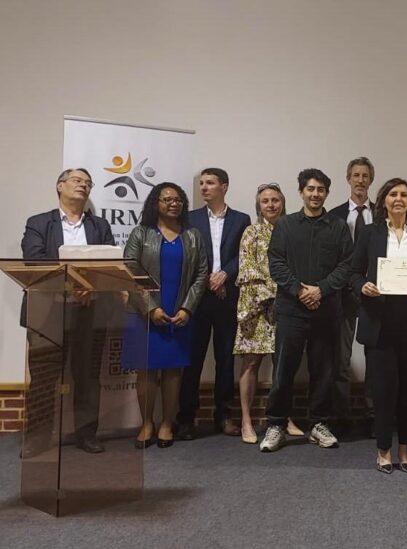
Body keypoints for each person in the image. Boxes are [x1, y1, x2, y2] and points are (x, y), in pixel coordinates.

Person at [20, 168, 115, 454]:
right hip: (47, 310)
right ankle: (37, 437)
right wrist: (72, 285)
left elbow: (109, 263)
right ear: (60, 186)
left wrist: (92, 286)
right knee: (44, 376)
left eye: (88, 183)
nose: (83, 186)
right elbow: (34, 260)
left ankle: (86, 435)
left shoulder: (99, 226)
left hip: (88, 310)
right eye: (77, 181)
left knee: (87, 376)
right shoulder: (38, 223)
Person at [349, 178, 407, 473]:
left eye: (404, 195)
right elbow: (353, 273)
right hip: (380, 322)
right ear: (383, 200)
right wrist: (364, 287)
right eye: (392, 194)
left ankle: (406, 449)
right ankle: (384, 449)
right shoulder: (370, 233)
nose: (398, 199)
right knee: (383, 390)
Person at [260, 169, 351, 452]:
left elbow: (346, 265)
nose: (315, 194)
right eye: (310, 189)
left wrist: (320, 290)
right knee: (284, 369)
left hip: (326, 312)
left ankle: (318, 424)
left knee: (324, 370)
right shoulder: (286, 226)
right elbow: (276, 262)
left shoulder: (337, 227)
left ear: (326, 193)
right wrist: (300, 290)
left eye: (321, 189)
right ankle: (276, 424)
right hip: (291, 310)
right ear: (301, 192)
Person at [123, 182, 208, 448]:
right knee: (146, 370)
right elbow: (130, 272)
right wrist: (151, 307)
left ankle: (167, 424)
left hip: (179, 311)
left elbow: (201, 275)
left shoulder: (193, 235)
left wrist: (187, 308)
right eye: (167, 199)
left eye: (178, 199)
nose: (174, 203)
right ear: (155, 203)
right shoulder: (141, 233)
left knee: (174, 372)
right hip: (144, 312)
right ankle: (147, 423)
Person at [178, 168, 251, 440]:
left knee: (225, 360)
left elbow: (244, 255)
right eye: (201, 184)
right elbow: (188, 254)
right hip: (197, 298)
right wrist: (209, 278)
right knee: (192, 360)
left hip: (227, 298)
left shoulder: (242, 219)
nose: (204, 188)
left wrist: (225, 275)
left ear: (224, 186)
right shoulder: (190, 219)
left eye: (209, 183)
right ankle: (186, 418)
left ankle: (223, 415)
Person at [233, 183, 300, 444]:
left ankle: (284, 418)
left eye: (275, 200)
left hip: (287, 306)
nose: (270, 205)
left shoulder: (292, 230)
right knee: (251, 363)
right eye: (265, 201)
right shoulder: (251, 232)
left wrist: (290, 293)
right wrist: (276, 292)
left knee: (285, 366)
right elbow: (247, 270)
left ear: (283, 202)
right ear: (258, 205)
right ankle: (246, 422)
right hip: (256, 309)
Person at [327, 156, 376, 436]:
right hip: (342, 295)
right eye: (356, 175)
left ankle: (373, 413)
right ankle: (341, 416)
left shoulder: (381, 213)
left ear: (371, 180)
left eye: (365, 175)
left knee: (375, 357)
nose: (360, 180)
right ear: (348, 178)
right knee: (341, 358)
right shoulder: (334, 215)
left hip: (373, 294)